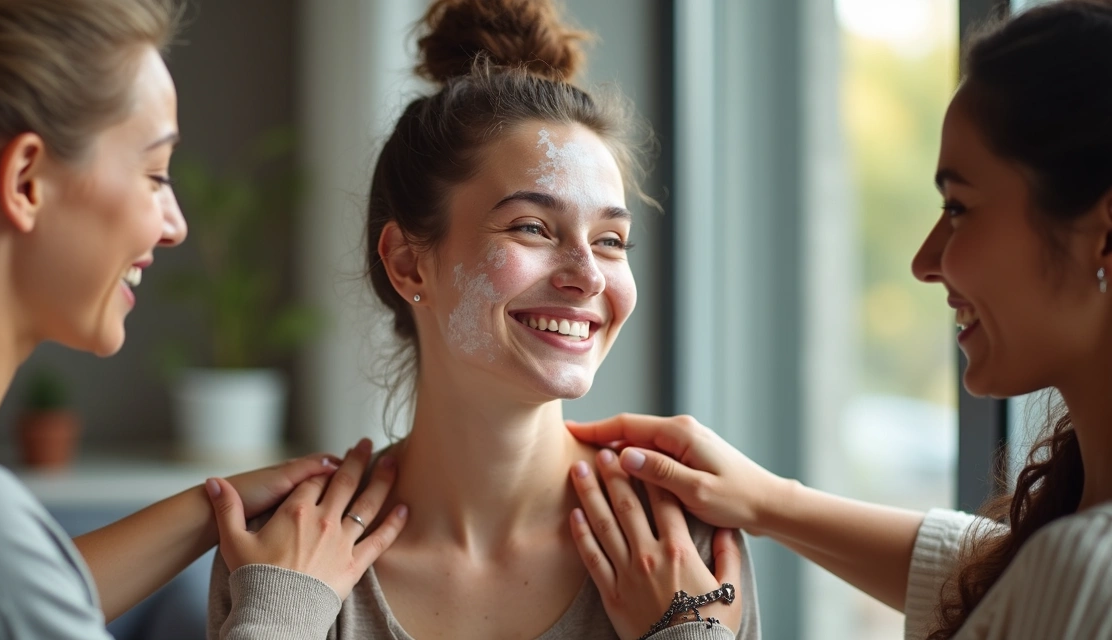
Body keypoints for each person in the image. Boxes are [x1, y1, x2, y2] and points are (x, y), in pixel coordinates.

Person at [206, 0, 761, 638]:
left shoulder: (680, 543)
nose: (587, 275)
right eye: (531, 227)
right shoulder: (283, 556)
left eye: (611, 240)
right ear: (410, 264)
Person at [567, 1, 1112, 638]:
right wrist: (771, 501)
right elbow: (1002, 574)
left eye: (960, 208)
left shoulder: (1087, 572)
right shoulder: (1070, 553)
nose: (924, 261)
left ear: (1102, 237)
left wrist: (687, 629)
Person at [0, 1, 405, 638]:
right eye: (155, 174)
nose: (175, 225)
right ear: (26, 181)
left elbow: (8, 589)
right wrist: (282, 606)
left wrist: (206, 509)